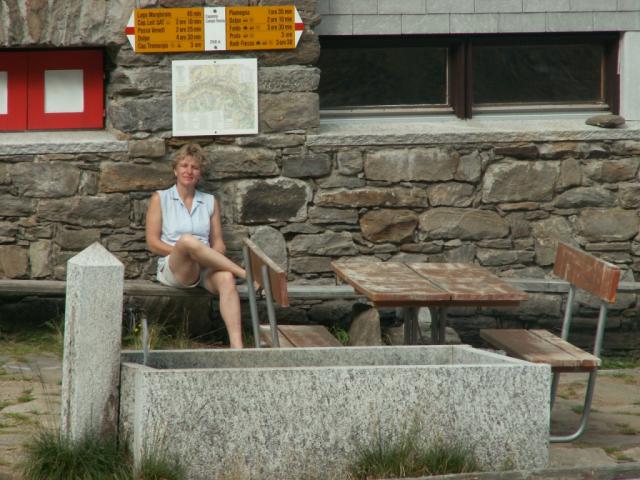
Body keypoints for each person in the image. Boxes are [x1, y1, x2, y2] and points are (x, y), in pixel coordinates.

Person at [145, 143, 247, 349]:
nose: (189, 171)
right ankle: (246, 274)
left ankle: (238, 349)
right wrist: (187, 251)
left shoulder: (209, 201)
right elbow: (153, 243)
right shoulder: (161, 198)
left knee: (227, 279)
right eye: (184, 166)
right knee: (187, 241)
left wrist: (208, 255)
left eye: (194, 167)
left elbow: (218, 242)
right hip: (175, 268)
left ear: (200, 173)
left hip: (204, 268)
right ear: (175, 170)